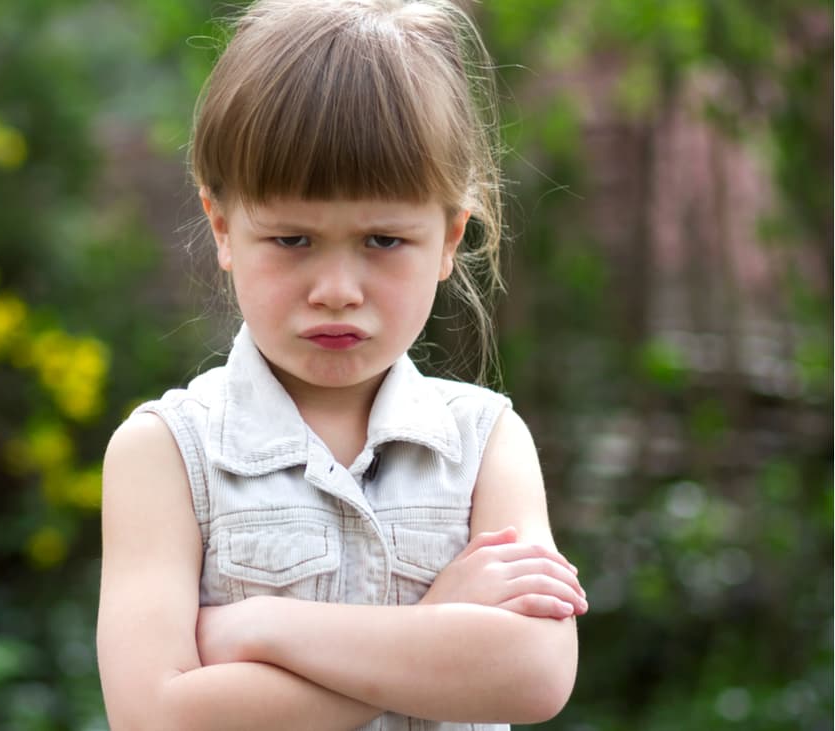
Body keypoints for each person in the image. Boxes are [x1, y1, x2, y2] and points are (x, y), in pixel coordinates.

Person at [97, 1, 587, 728]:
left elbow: (535, 669)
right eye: (292, 239)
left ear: (450, 238)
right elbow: (158, 717)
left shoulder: (486, 444)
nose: (336, 291)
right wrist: (444, 622)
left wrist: (264, 627)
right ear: (223, 227)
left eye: (384, 241)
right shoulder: (167, 454)